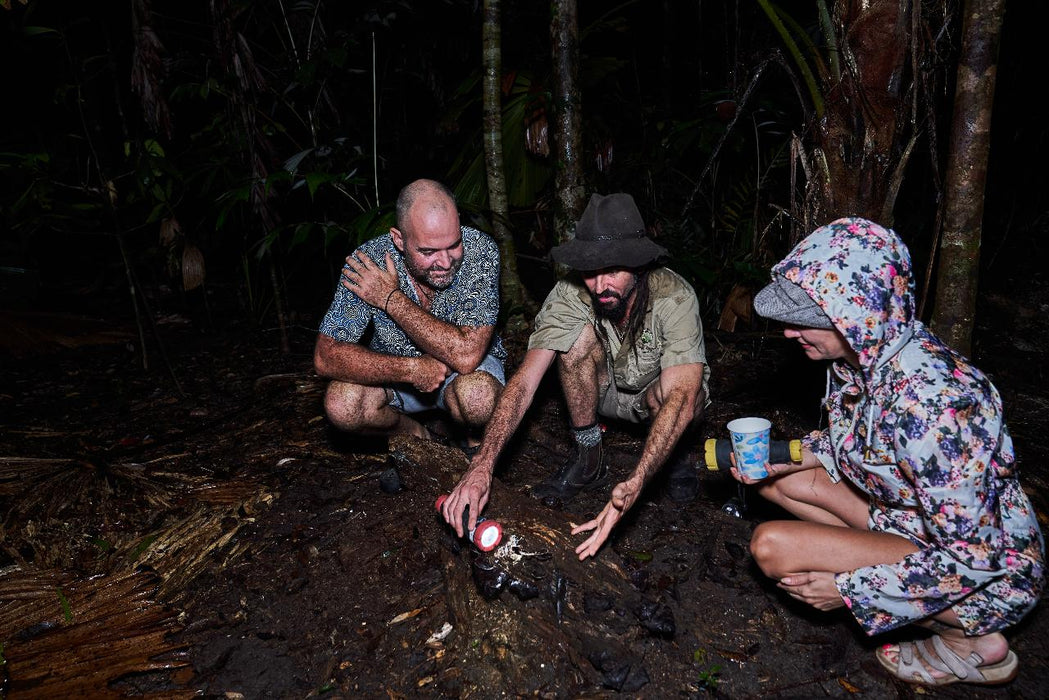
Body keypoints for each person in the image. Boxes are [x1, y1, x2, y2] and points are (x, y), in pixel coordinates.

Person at [738, 217, 1044, 686]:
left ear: (859, 315)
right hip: (913, 520)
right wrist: (787, 453)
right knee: (781, 479)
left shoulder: (936, 407)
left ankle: (970, 640)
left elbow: (974, 555)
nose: (788, 332)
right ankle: (888, 570)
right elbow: (858, 444)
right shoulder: (870, 360)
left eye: (808, 320)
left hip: (990, 572)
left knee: (771, 546)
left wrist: (853, 591)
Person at [441, 193, 710, 560]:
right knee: (573, 341)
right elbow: (524, 383)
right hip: (606, 391)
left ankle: (672, 457)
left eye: (612, 270)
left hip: (659, 397)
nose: (600, 286)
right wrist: (481, 466)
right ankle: (589, 458)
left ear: (639, 264)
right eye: (590, 272)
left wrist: (635, 483)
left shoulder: (674, 297)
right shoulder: (571, 295)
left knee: (681, 394)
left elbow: (681, 396)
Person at [314, 179, 505, 450]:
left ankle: (476, 448)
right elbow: (325, 356)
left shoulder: (480, 251)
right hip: (399, 377)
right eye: (428, 251)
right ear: (399, 240)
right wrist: (411, 370)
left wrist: (390, 299)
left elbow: (466, 356)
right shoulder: (369, 263)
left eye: (453, 244)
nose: (446, 262)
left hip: (468, 374)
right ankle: (417, 439)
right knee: (342, 404)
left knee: (477, 397)